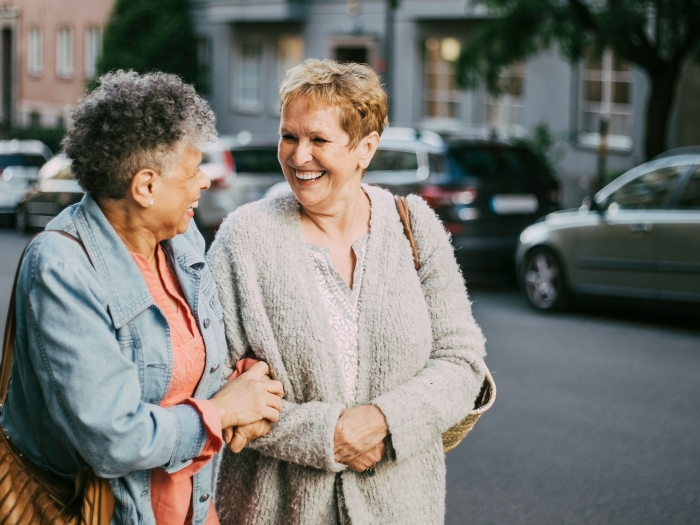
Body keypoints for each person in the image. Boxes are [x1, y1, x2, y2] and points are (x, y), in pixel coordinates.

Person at [208, 59, 487, 524]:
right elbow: (217, 386)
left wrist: (381, 422)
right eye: (289, 136)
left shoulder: (414, 226)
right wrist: (328, 435)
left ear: (365, 148)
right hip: (276, 510)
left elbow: (462, 362)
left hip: (402, 509)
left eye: (318, 140)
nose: (299, 157)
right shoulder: (244, 239)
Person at [1, 71, 284, 525]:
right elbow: (113, 440)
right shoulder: (61, 268)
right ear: (146, 187)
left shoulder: (182, 237)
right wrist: (223, 410)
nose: (205, 182)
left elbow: (202, 354)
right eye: (193, 171)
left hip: (194, 508)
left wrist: (249, 388)